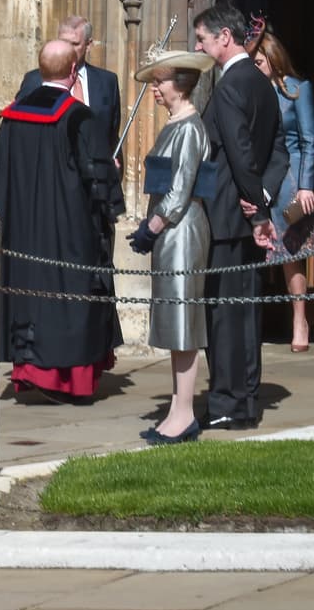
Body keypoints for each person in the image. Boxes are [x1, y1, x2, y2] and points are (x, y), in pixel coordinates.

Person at [0, 39, 122, 401]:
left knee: (30, 298)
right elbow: (98, 177)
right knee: (68, 298)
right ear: (74, 72)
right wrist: (110, 211)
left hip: (22, 233)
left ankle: (29, 371)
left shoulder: (12, 115)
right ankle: (66, 381)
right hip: (69, 233)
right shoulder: (78, 116)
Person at [193, 4, 287, 431]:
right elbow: (279, 152)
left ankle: (229, 402)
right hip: (244, 211)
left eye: (203, 39)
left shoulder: (232, 85)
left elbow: (240, 151)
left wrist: (256, 206)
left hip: (231, 216)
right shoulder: (262, 83)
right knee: (245, 310)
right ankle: (244, 397)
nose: (199, 46)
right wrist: (264, 193)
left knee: (227, 314)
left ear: (224, 38)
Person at [125, 51, 215, 445]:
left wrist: (151, 227)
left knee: (184, 324)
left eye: (160, 81)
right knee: (174, 322)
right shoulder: (175, 125)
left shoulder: (191, 128)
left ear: (178, 83)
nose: (155, 89)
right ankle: (178, 410)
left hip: (182, 230)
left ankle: (185, 414)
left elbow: (180, 192)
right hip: (171, 232)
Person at [252, 24, 314, 352]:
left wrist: (306, 186)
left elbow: (310, 139)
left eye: (258, 62)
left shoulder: (298, 89)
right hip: (261, 178)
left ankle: (302, 320)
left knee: (299, 250)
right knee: (274, 254)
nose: (254, 68)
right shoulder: (251, 93)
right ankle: (283, 320)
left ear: (273, 58)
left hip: (291, 181)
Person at [17, 15, 125, 246]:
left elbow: (111, 135)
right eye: (63, 41)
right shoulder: (34, 82)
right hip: (50, 196)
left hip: (94, 198)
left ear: (89, 44)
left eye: (75, 44)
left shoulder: (106, 82)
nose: (68, 49)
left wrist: (112, 174)